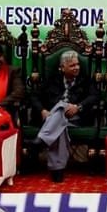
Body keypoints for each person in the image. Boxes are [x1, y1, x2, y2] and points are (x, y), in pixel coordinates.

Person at [29, 49, 96, 183]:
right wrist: (42, 110)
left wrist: (78, 107)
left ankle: (42, 140)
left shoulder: (85, 80)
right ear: (62, 67)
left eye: (77, 64)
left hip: (77, 118)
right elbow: (34, 96)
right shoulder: (52, 80)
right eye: (72, 65)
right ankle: (57, 170)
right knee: (60, 122)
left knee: (61, 107)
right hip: (55, 120)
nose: (76, 67)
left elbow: (94, 96)